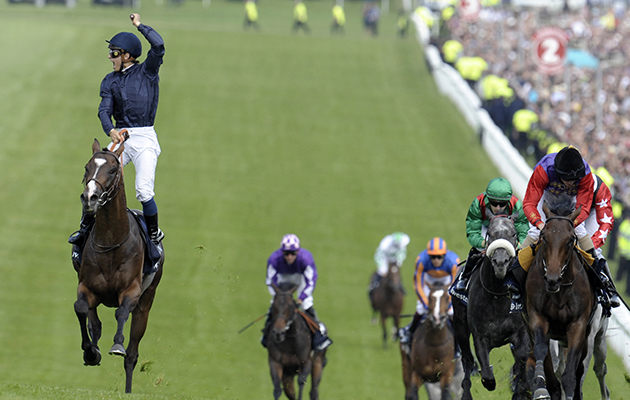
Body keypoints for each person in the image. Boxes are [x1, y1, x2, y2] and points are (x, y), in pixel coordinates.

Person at [69, 13, 165, 247]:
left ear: (128, 56)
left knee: (143, 191)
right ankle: (84, 229)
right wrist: (111, 130)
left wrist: (139, 26)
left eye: (114, 52)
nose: (110, 57)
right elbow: (104, 111)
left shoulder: (148, 72)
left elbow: (159, 45)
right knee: (94, 181)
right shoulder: (109, 81)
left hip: (144, 139)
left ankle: (153, 236)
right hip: (121, 137)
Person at [507, 146, 620, 313]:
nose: (571, 183)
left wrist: (566, 227)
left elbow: (582, 209)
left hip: (572, 202)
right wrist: (540, 223)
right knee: (535, 233)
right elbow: (529, 203)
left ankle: (606, 285)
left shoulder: (585, 175)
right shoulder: (543, 170)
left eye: (575, 179)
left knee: (580, 231)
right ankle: (515, 280)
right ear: (558, 172)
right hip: (548, 196)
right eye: (568, 179)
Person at [450, 177, 529, 299]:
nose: (498, 208)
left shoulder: (517, 206)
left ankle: (520, 283)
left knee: (521, 254)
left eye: (502, 204)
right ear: (488, 199)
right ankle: (464, 278)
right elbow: (472, 232)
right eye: (494, 203)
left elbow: (524, 233)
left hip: (508, 229)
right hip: (487, 228)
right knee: (476, 249)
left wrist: (517, 245)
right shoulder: (478, 203)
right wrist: (484, 244)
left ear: (508, 201)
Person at [261, 234, 332, 351]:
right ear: (281, 252)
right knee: (277, 305)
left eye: (293, 253)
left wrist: (301, 298)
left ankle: (319, 335)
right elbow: (270, 281)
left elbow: (311, 282)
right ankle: (266, 334)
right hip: (282, 277)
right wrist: (279, 297)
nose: (289, 257)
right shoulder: (274, 259)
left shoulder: (306, 259)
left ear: (298, 252)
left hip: (300, 277)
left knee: (306, 304)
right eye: (286, 253)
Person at [398, 237, 459, 347]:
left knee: (451, 312)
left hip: (447, 281)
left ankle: (460, 344)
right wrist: (427, 304)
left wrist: (448, 304)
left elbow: (455, 286)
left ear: (444, 255)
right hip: (428, 281)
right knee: (421, 309)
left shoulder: (454, 262)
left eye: (439, 257)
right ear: (428, 255)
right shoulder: (421, 260)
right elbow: (418, 285)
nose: (436, 260)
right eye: (433, 257)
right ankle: (409, 332)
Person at [369, 232, 410, 298]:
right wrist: (383, 268)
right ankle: (374, 285)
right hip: (384, 257)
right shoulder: (386, 243)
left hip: (394, 258)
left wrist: (398, 263)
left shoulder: (403, 242)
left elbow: (402, 254)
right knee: (382, 271)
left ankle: (400, 286)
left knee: (395, 271)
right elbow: (379, 256)